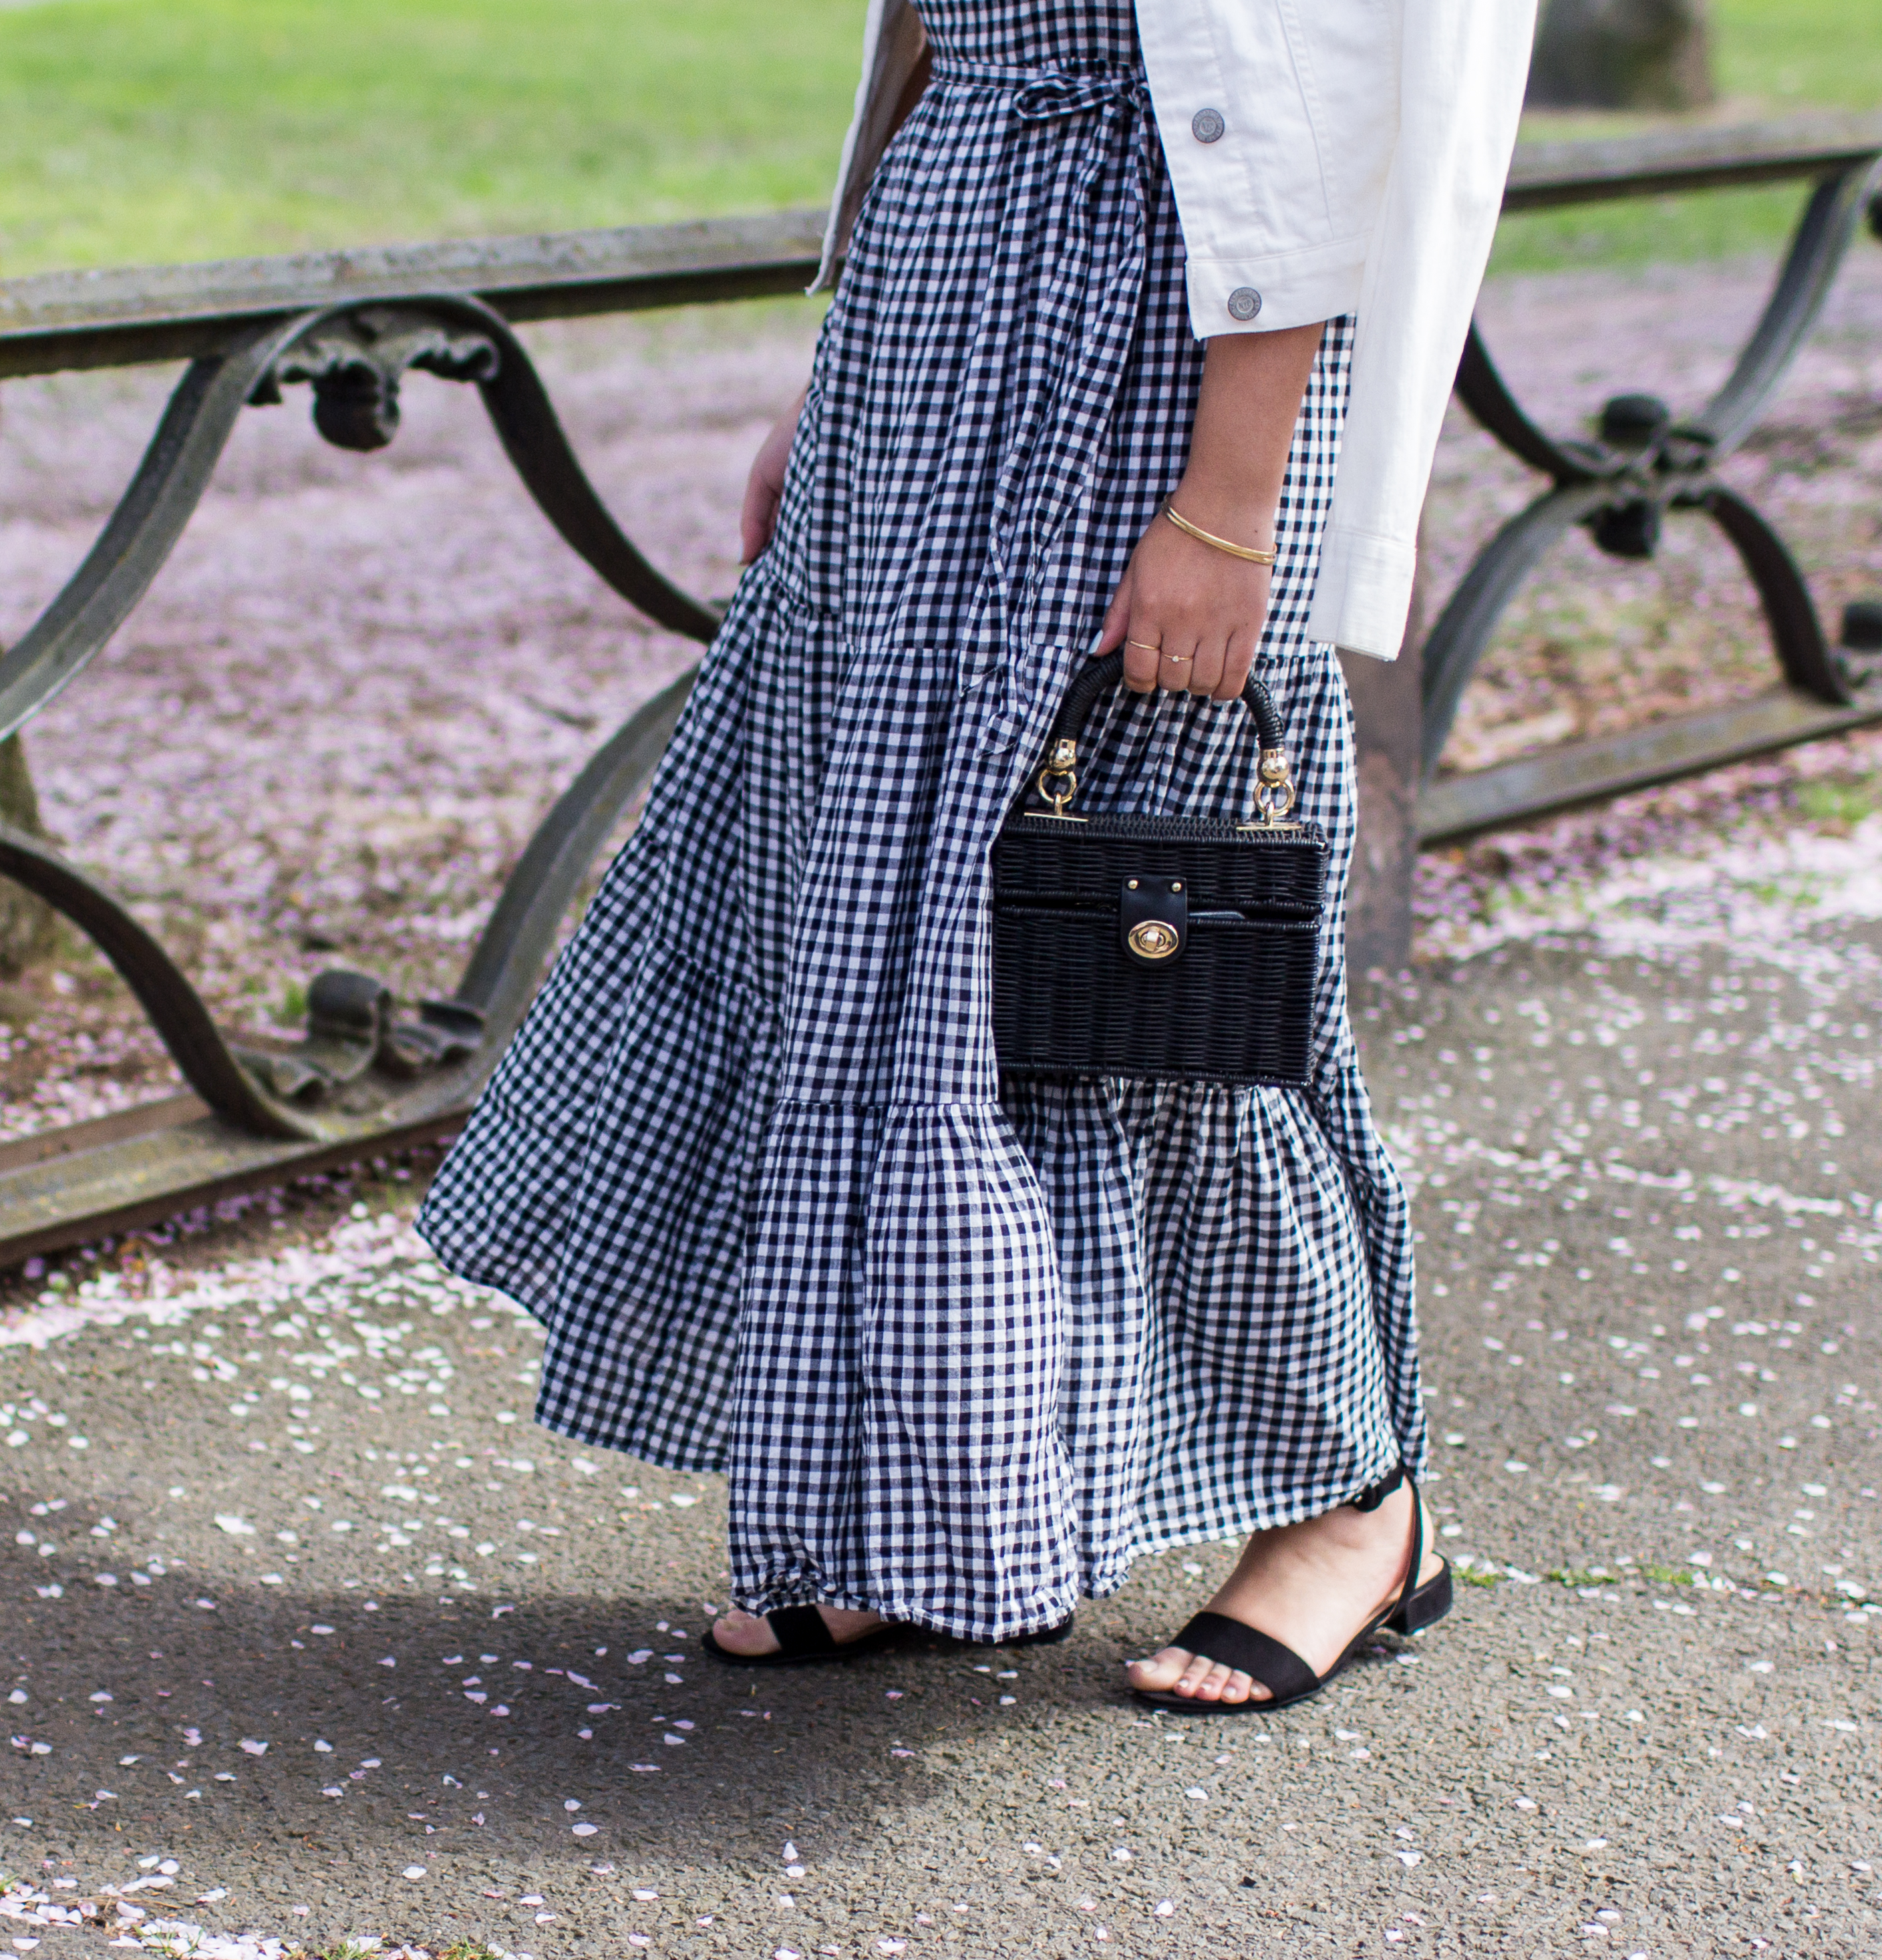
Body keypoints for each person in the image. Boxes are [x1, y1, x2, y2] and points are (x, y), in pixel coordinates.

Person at [416, 0, 1535, 1712]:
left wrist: (1228, 508)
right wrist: (842, 374)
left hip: (1158, 350)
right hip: (942, 308)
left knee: (1131, 961)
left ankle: (1354, 1503)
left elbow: (1313, 92)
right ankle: (927, 1509)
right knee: (860, 931)